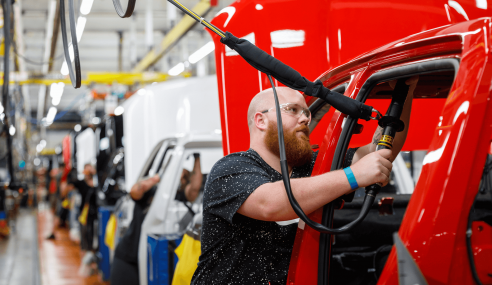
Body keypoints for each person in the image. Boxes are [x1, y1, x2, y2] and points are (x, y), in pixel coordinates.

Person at [191, 79, 416, 284]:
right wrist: (353, 175)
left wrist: (406, 90)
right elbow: (271, 204)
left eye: (307, 113)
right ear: (260, 120)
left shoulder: (310, 167)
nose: (305, 118)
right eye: (293, 110)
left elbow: (380, 151)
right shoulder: (231, 169)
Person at [110, 154, 203, 285]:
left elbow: (194, 188)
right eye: (179, 174)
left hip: (154, 260)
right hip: (130, 257)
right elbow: (135, 190)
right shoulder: (152, 192)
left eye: (184, 177)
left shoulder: (181, 197)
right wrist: (162, 176)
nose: (180, 178)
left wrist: (197, 158)